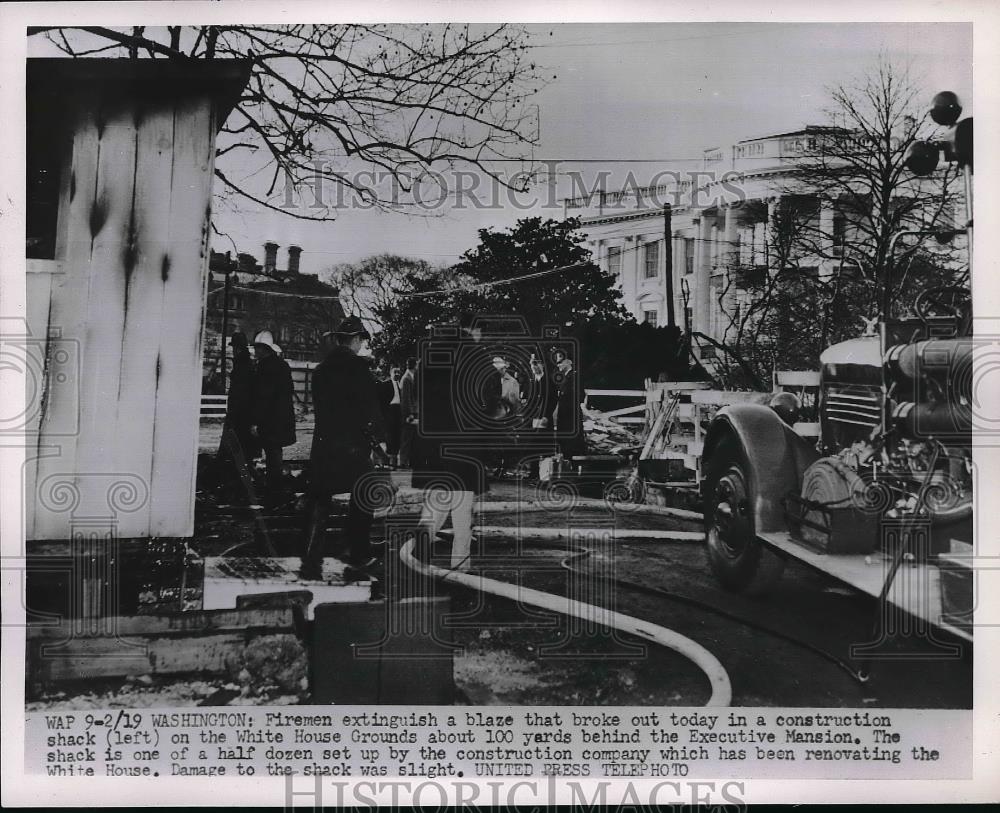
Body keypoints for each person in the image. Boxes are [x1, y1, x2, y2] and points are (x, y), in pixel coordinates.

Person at [301, 316, 388, 580]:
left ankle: (311, 555)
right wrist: (377, 441)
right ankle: (358, 550)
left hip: (324, 446)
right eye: (362, 340)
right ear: (356, 339)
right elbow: (368, 408)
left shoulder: (320, 370)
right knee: (366, 489)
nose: (362, 345)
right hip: (350, 448)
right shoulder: (358, 368)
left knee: (320, 498)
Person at [412, 314, 492, 572]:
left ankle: (418, 556)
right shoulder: (476, 357)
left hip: (433, 446)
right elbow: (491, 398)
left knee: (436, 502)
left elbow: (418, 393)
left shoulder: (430, 356)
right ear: (474, 331)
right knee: (462, 510)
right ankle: (461, 565)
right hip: (465, 445)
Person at [250, 330, 296, 508]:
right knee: (275, 455)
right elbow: (289, 391)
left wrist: (255, 421)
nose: (255, 352)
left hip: (269, 420)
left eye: (257, 348)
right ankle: (276, 491)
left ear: (264, 349)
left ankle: (273, 493)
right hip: (281, 419)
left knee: (272, 456)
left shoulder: (264, 367)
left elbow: (262, 397)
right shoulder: (283, 365)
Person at [216, 331, 258, 500]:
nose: (233, 351)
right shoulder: (247, 364)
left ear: (238, 348)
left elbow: (239, 394)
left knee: (237, 452)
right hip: (243, 416)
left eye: (234, 347)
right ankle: (241, 487)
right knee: (242, 453)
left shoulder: (242, 366)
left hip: (239, 417)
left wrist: (232, 415)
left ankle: (239, 489)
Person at [554, 350, 586, 457]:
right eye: (557, 363)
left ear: (568, 362)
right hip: (564, 415)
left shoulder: (574, 377)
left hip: (571, 415)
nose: (558, 365)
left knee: (573, 445)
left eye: (561, 362)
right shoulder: (564, 378)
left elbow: (579, 396)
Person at [377, 365, 403, 469]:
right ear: (390, 374)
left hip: (398, 411)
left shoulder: (399, 385)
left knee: (397, 434)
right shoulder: (386, 384)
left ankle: (395, 461)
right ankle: (388, 460)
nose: (397, 374)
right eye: (395, 372)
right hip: (390, 411)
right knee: (390, 436)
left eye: (398, 372)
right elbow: (382, 401)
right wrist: (384, 415)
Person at [398, 357, 419, 469]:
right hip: (409, 413)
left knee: (411, 438)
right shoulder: (406, 378)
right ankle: (403, 462)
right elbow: (406, 399)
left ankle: (407, 461)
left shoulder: (410, 377)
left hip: (412, 411)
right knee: (407, 438)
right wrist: (410, 414)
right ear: (414, 366)